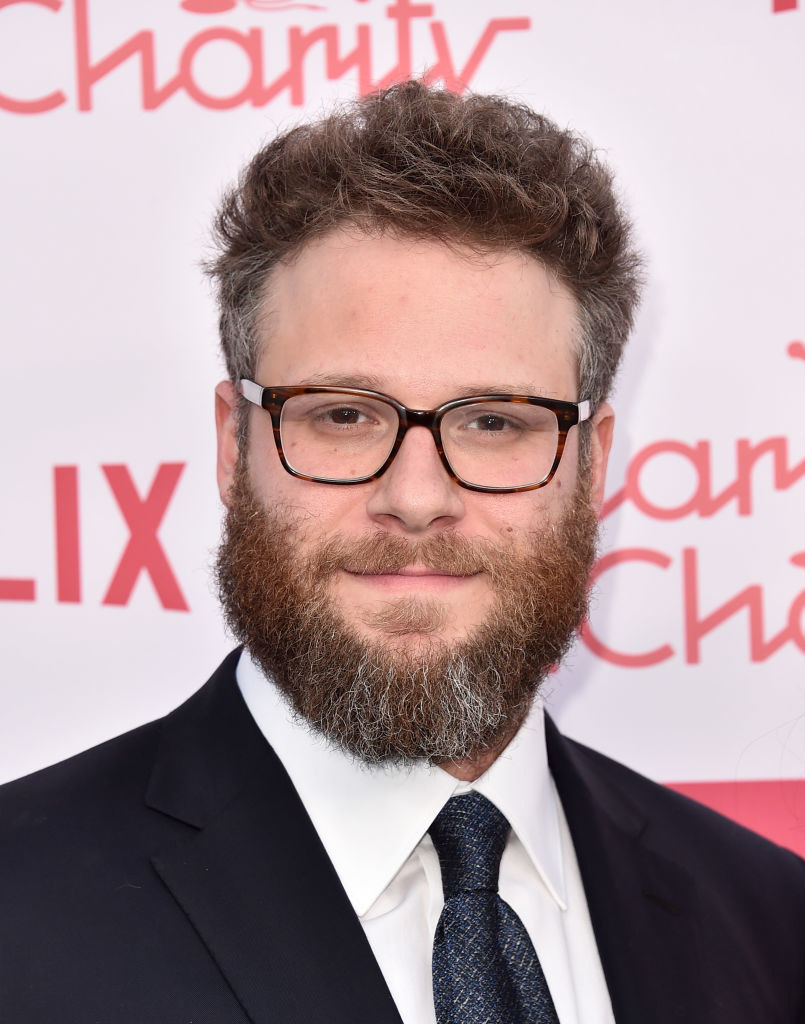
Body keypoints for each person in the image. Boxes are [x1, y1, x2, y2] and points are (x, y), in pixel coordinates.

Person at [1, 81, 803, 1024]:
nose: (416, 499)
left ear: (592, 464)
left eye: (496, 421)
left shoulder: (771, 922)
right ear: (232, 446)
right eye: (342, 415)